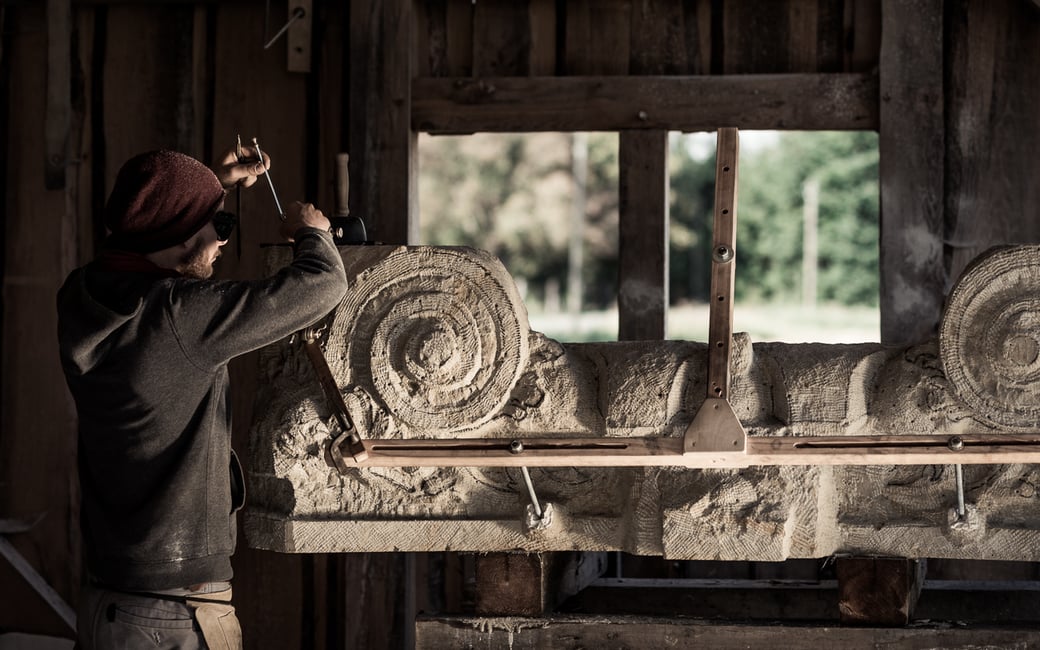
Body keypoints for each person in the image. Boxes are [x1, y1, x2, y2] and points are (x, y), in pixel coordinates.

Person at [57, 148, 348, 649]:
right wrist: (312, 233)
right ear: (176, 236)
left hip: (110, 600)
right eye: (218, 225)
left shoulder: (82, 293)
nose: (222, 240)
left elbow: (141, 230)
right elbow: (323, 284)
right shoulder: (179, 315)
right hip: (172, 614)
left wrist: (211, 185)